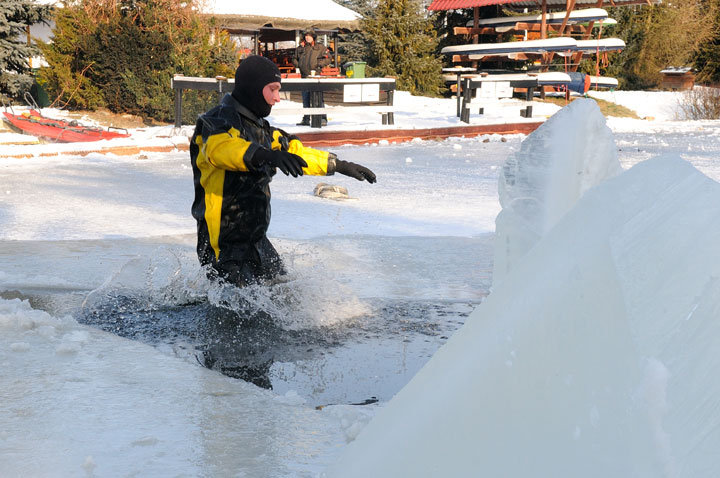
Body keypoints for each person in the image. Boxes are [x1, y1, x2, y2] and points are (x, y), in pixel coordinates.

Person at [190, 55, 376, 288]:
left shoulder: (261, 129)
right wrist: (265, 155)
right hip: (223, 245)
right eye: (273, 90)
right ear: (253, 89)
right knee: (239, 314)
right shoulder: (216, 122)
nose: (277, 98)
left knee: (283, 291)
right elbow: (221, 150)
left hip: (256, 240)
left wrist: (339, 165)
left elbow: (295, 151)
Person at [292, 29, 331, 126]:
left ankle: (322, 118)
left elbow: (328, 58)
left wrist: (319, 64)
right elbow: (294, 58)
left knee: (318, 98)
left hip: (316, 76)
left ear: (313, 37)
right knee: (305, 98)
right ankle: (306, 119)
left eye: (309, 36)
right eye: (306, 36)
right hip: (304, 76)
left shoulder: (320, 47)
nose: (307, 37)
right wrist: (299, 65)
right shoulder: (301, 48)